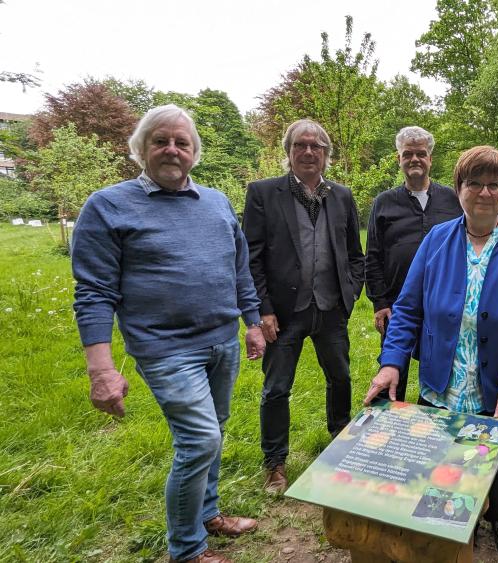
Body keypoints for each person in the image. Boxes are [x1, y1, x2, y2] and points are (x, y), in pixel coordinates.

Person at [72, 104, 265, 563]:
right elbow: (94, 292)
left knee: (214, 431)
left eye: (182, 142)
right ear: (141, 149)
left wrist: (252, 323)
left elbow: (238, 270)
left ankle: (209, 514)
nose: (172, 150)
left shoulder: (216, 202)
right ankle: (187, 549)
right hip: (165, 349)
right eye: (161, 141)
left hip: (221, 340)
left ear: (195, 153)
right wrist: (100, 368)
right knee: (200, 440)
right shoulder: (108, 206)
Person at [364, 146, 498, 558]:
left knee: (495, 456)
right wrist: (391, 362)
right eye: (474, 183)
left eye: (494, 185)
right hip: (441, 376)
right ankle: (442, 513)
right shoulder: (436, 241)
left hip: (494, 381)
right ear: (459, 188)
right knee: (443, 454)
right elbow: (409, 307)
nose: (485, 192)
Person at [242, 119, 365, 494]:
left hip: (331, 309)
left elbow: (355, 255)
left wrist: (350, 293)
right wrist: (263, 310)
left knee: (340, 378)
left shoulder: (341, 195)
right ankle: (275, 463)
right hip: (283, 313)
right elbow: (252, 257)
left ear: (327, 154)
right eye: (301, 145)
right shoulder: (264, 193)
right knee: (277, 388)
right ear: (289, 151)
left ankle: (341, 441)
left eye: (317, 146)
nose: (309, 152)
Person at [365, 126, 462, 401]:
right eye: (408, 154)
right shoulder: (384, 203)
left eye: (421, 153)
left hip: (443, 303)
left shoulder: (453, 200)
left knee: (440, 374)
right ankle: (386, 433)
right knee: (393, 369)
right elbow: (372, 255)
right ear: (399, 159)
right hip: (397, 306)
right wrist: (380, 303)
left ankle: (431, 430)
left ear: (430, 158)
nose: (415, 159)